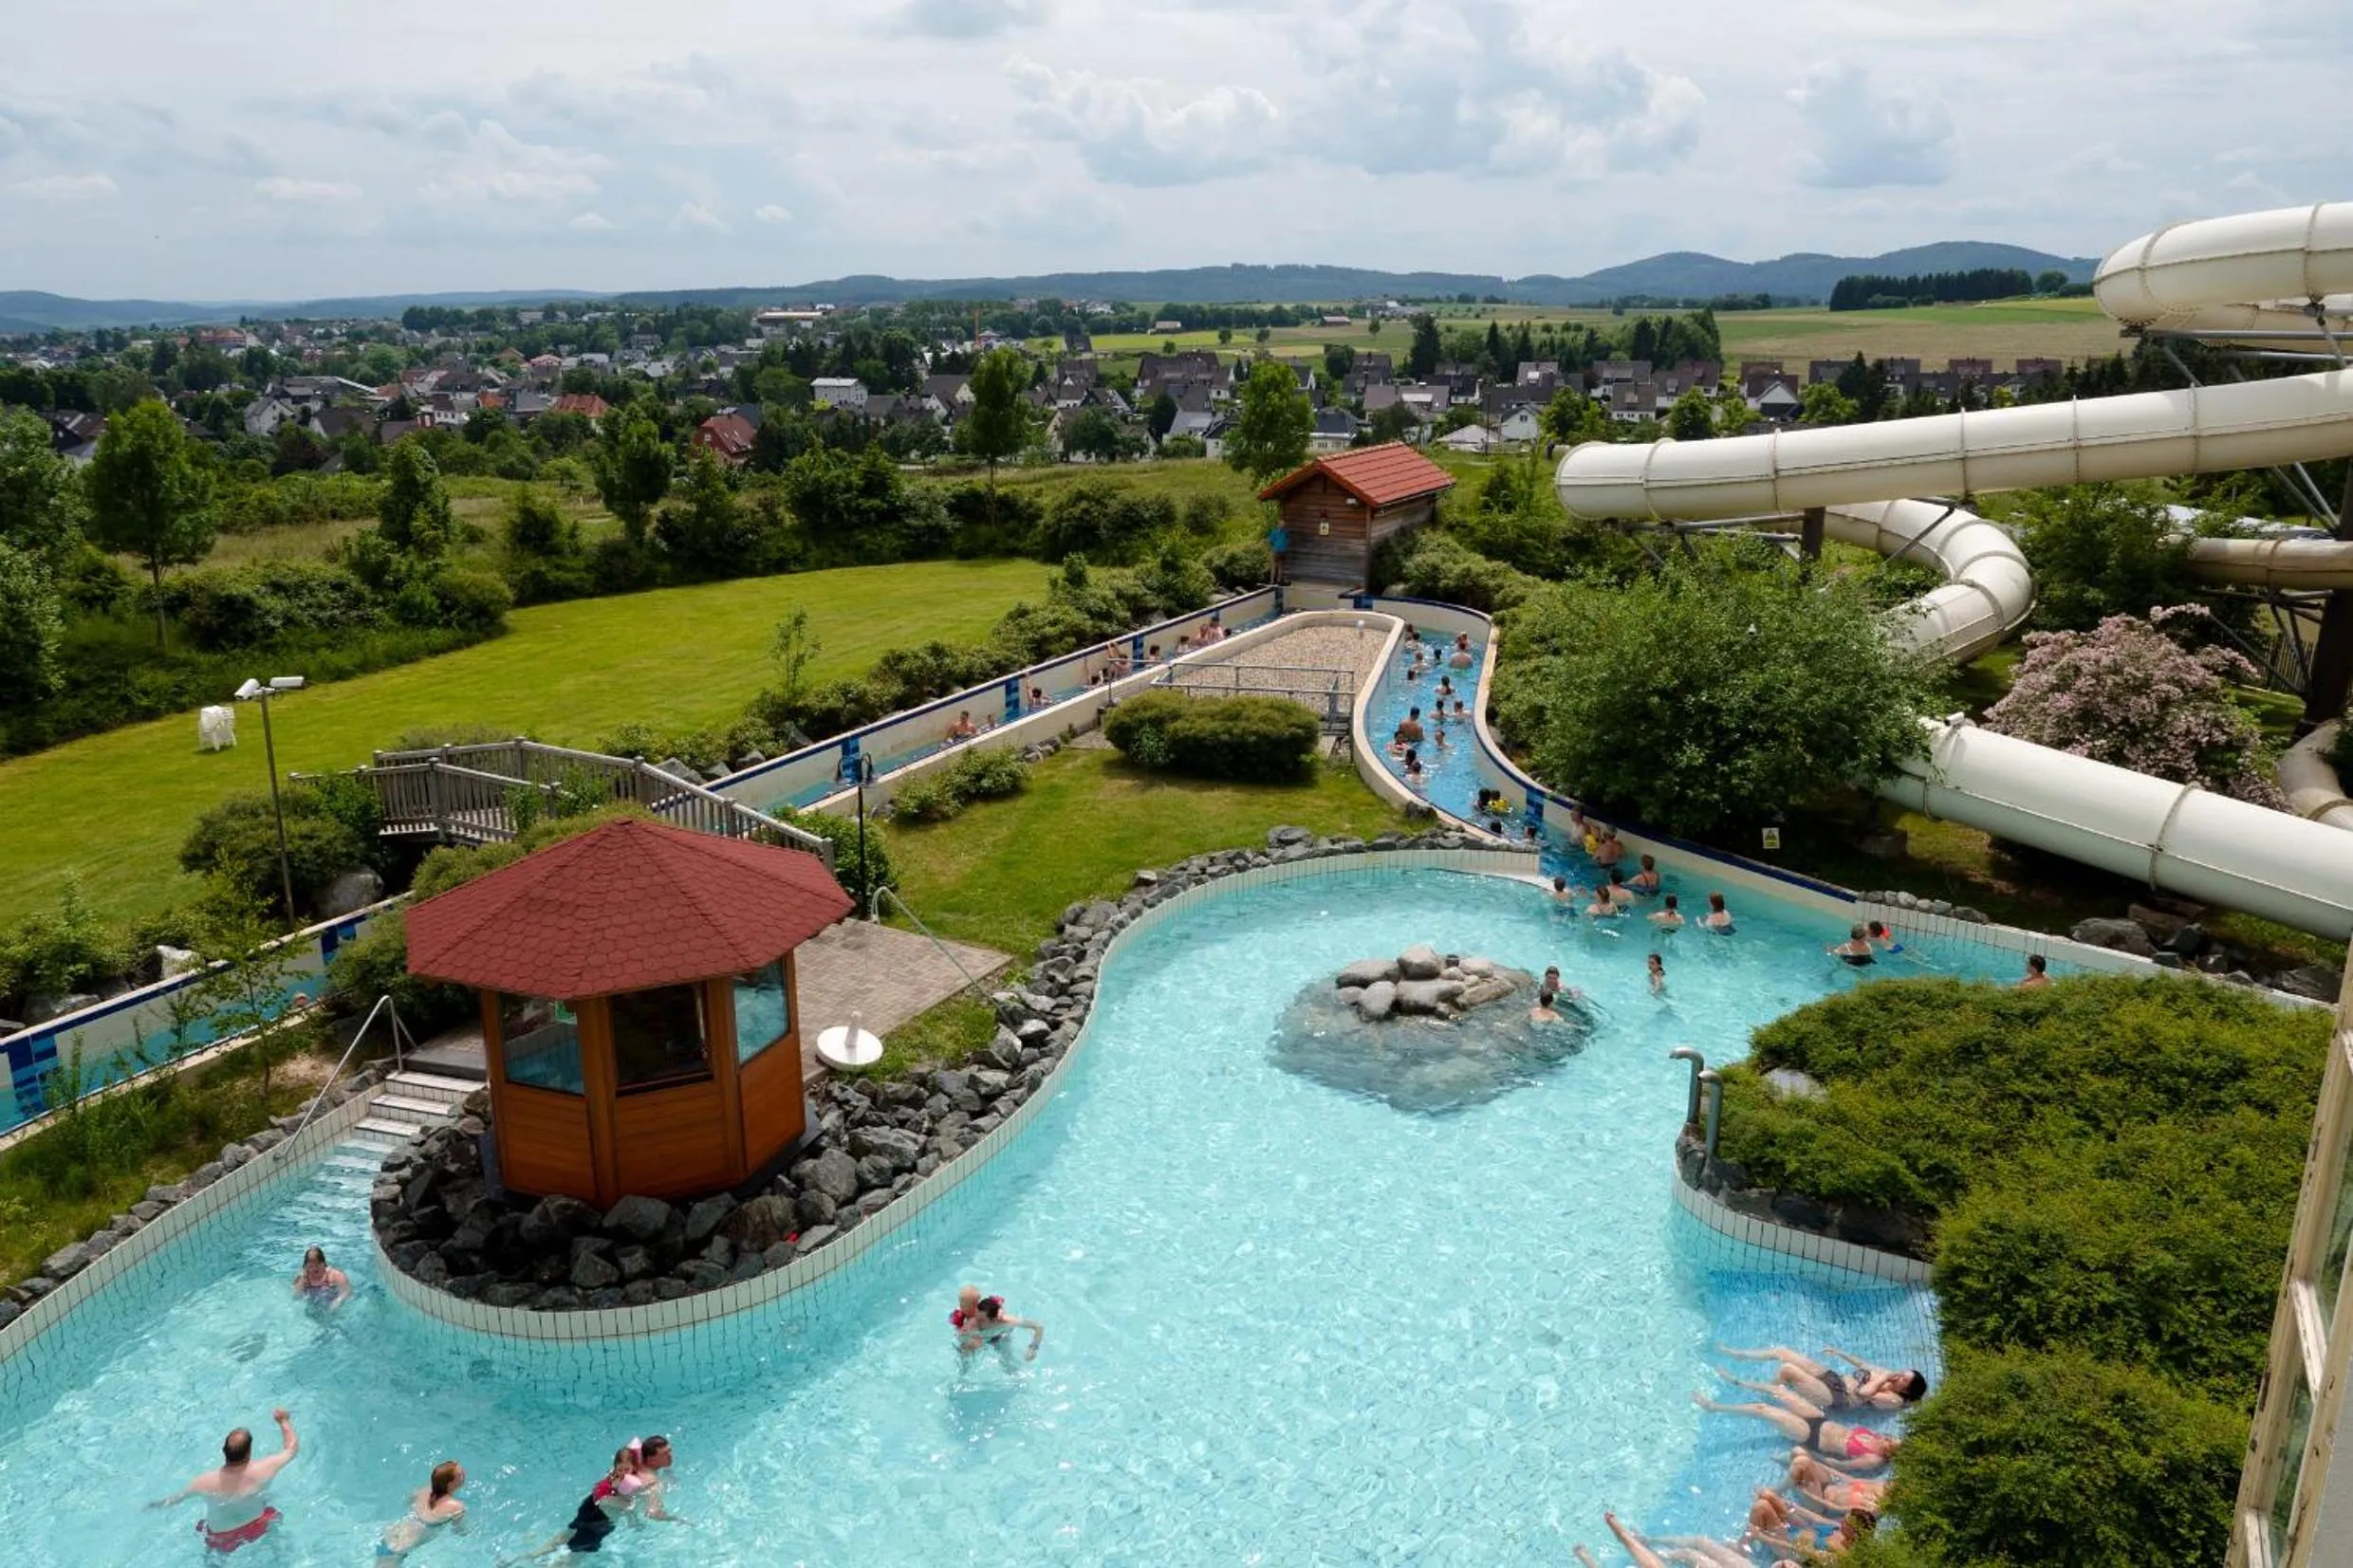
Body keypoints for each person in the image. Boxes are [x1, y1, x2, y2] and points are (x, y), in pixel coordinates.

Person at [505, 1439, 685, 1561]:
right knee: (572, 1559)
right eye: (666, 1454)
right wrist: (677, 1520)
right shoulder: (652, 1483)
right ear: (651, 1459)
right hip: (601, 1520)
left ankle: (518, 1560)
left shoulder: (632, 1463)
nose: (671, 1456)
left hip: (590, 1504)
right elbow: (654, 1513)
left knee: (561, 1538)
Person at [149, 1409, 300, 1554]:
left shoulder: (203, 1482)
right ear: (248, 1452)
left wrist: (153, 1505)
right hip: (257, 1527)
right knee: (273, 1513)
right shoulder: (264, 1469)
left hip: (221, 1539)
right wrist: (283, 1421)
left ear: (224, 1451)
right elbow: (291, 1449)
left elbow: (174, 1500)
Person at [1692, 1389, 1898, 1468]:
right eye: (1891, 1438)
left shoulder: (1874, 1458)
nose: (1887, 1440)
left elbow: (1842, 1466)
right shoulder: (1876, 1436)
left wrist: (1815, 1457)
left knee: (1763, 1410)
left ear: (1891, 1453)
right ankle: (1737, 1383)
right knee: (1778, 1392)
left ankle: (1714, 1408)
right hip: (1819, 1419)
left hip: (1813, 1436)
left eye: (1891, 1444)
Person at [1717, 1344, 1930, 1411]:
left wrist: (1882, 1379)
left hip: (1838, 1398)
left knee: (1788, 1370)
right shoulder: (1886, 1376)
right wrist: (1839, 1352)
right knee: (1783, 1352)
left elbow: (1864, 1393)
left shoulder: (1894, 1399)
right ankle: (1742, 1356)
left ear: (1905, 1390)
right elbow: (1863, 1365)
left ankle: (1770, 1394)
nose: (1900, 1375)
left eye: (1904, 1379)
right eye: (1904, 1372)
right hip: (1836, 1380)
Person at [379, 1460, 468, 1561]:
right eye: (460, 1475)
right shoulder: (456, 1507)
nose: (465, 1474)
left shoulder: (424, 1490)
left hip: (389, 1535)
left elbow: (408, 1500)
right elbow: (459, 1531)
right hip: (400, 1549)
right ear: (450, 1483)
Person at [953, 1285, 1045, 1366]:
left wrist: (1033, 1348)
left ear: (994, 1320)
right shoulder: (973, 1323)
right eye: (977, 1318)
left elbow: (1038, 1326)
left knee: (1007, 1361)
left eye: (981, 1320)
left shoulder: (1006, 1321)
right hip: (983, 1339)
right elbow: (961, 1339)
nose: (977, 1323)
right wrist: (970, 1343)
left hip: (1000, 1336)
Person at [1786, 1448, 1891, 1513]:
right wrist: (1822, 1466)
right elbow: (1850, 1479)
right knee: (1799, 1452)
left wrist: (1809, 1494)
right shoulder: (1880, 1485)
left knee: (1800, 1464)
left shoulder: (1873, 1507)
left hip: (1820, 1502)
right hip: (1828, 1485)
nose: (1891, 1483)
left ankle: (1779, 1488)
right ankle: (1789, 1471)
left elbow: (1837, 1508)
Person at [292, 1245, 350, 1312]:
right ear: (306, 1266)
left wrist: (338, 1301)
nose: (313, 1269)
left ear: (323, 1263)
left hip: (330, 1302)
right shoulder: (304, 1277)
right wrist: (302, 1279)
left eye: (317, 1266)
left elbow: (347, 1291)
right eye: (311, 1266)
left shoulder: (335, 1275)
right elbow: (296, 1296)